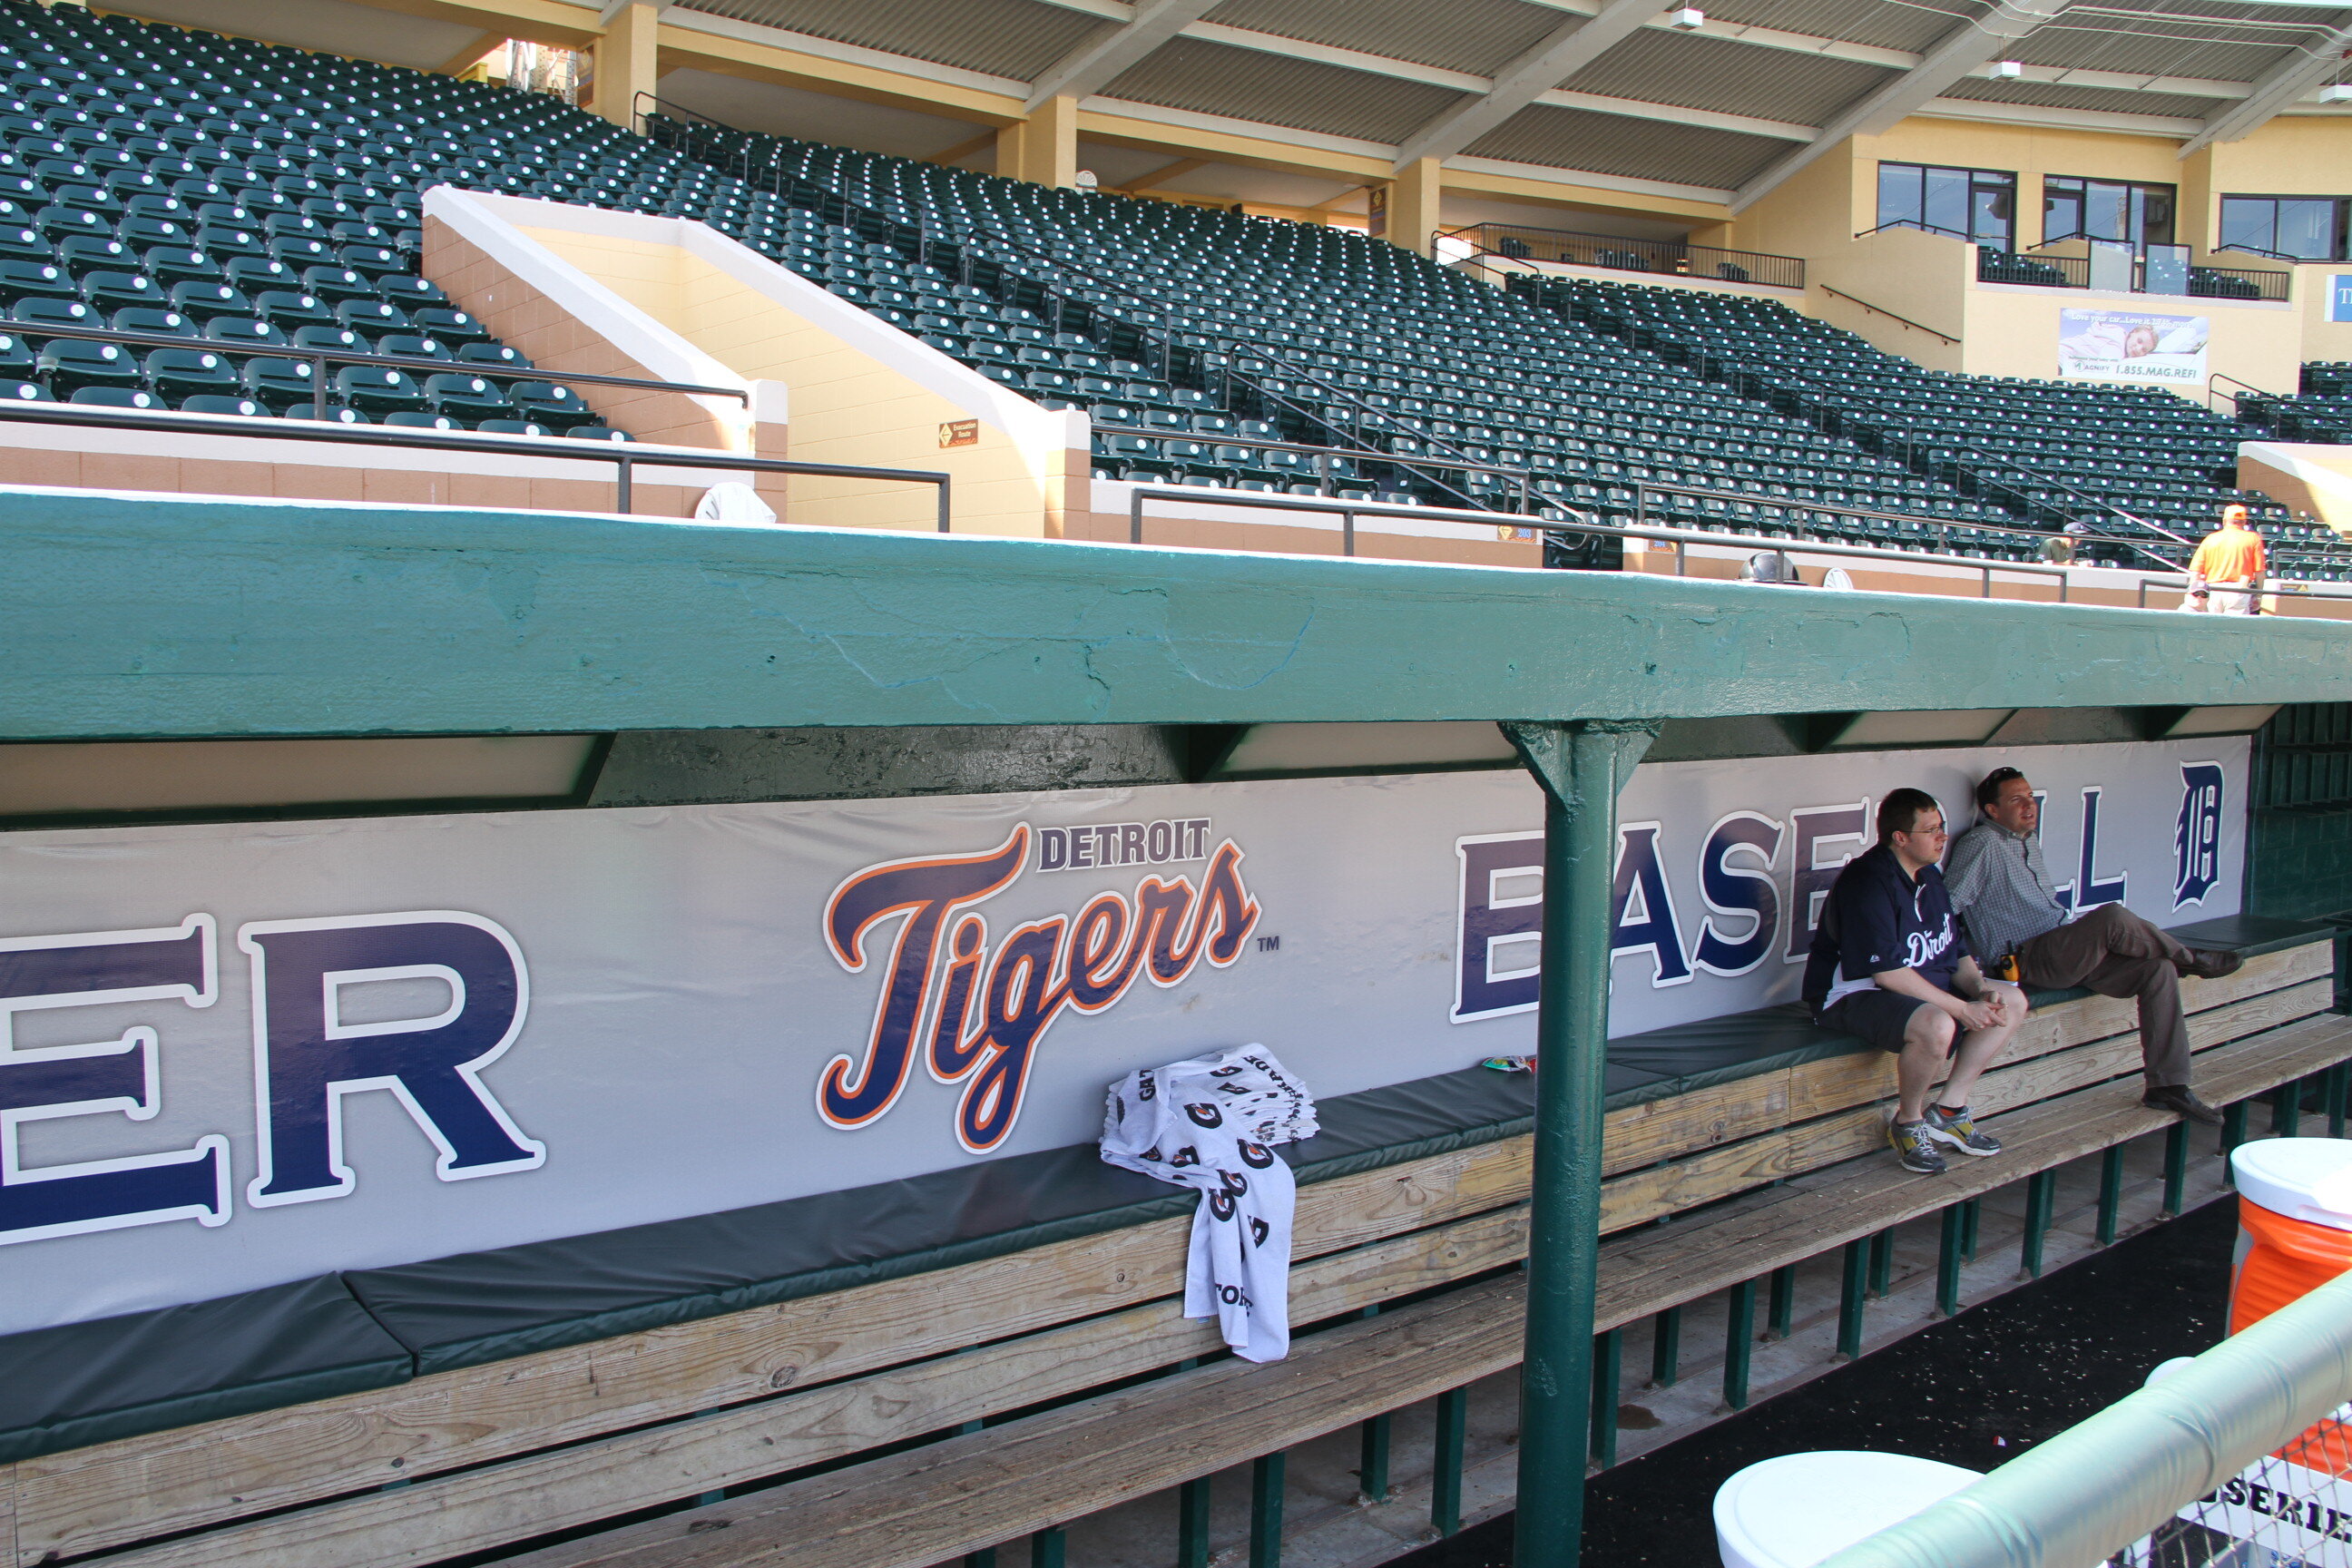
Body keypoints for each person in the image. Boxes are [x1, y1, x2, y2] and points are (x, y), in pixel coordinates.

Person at [1944, 767, 2242, 1125]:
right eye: (2016, 800)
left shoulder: (2026, 841)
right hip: (2026, 958)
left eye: (2029, 796)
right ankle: (2191, 958)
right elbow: (1948, 904)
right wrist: (1970, 968)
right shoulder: (1982, 844)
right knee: (2112, 916)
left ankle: (2168, 1085)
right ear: (1992, 811)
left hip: (2060, 949)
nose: (2029, 805)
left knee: (2158, 970)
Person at [1805, 788, 2026, 1176]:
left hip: (1913, 986)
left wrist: (1979, 990)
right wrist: (1961, 1008)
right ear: (1900, 838)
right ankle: (1908, 1122)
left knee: (2012, 1000)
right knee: (1938, 1024)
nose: (1942, 837)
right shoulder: (1868, 880)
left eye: (1941, 827)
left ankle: (1949, 1110)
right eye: (1930, 830)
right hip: (1851, 993)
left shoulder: (1929, 875)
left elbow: (1955, 951)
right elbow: (1886, 972)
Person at [2186, 504, 2267, 615]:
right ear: (2244, 522)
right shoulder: (2253, 538)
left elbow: (2195, 572)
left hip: (2213, 589)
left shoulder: (2211, 539)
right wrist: (2259, 595)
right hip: (2239, 590)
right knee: (2234, 629)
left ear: (2224, 521)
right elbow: (2260, 572)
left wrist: (2193, 593)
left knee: (2212, 626)